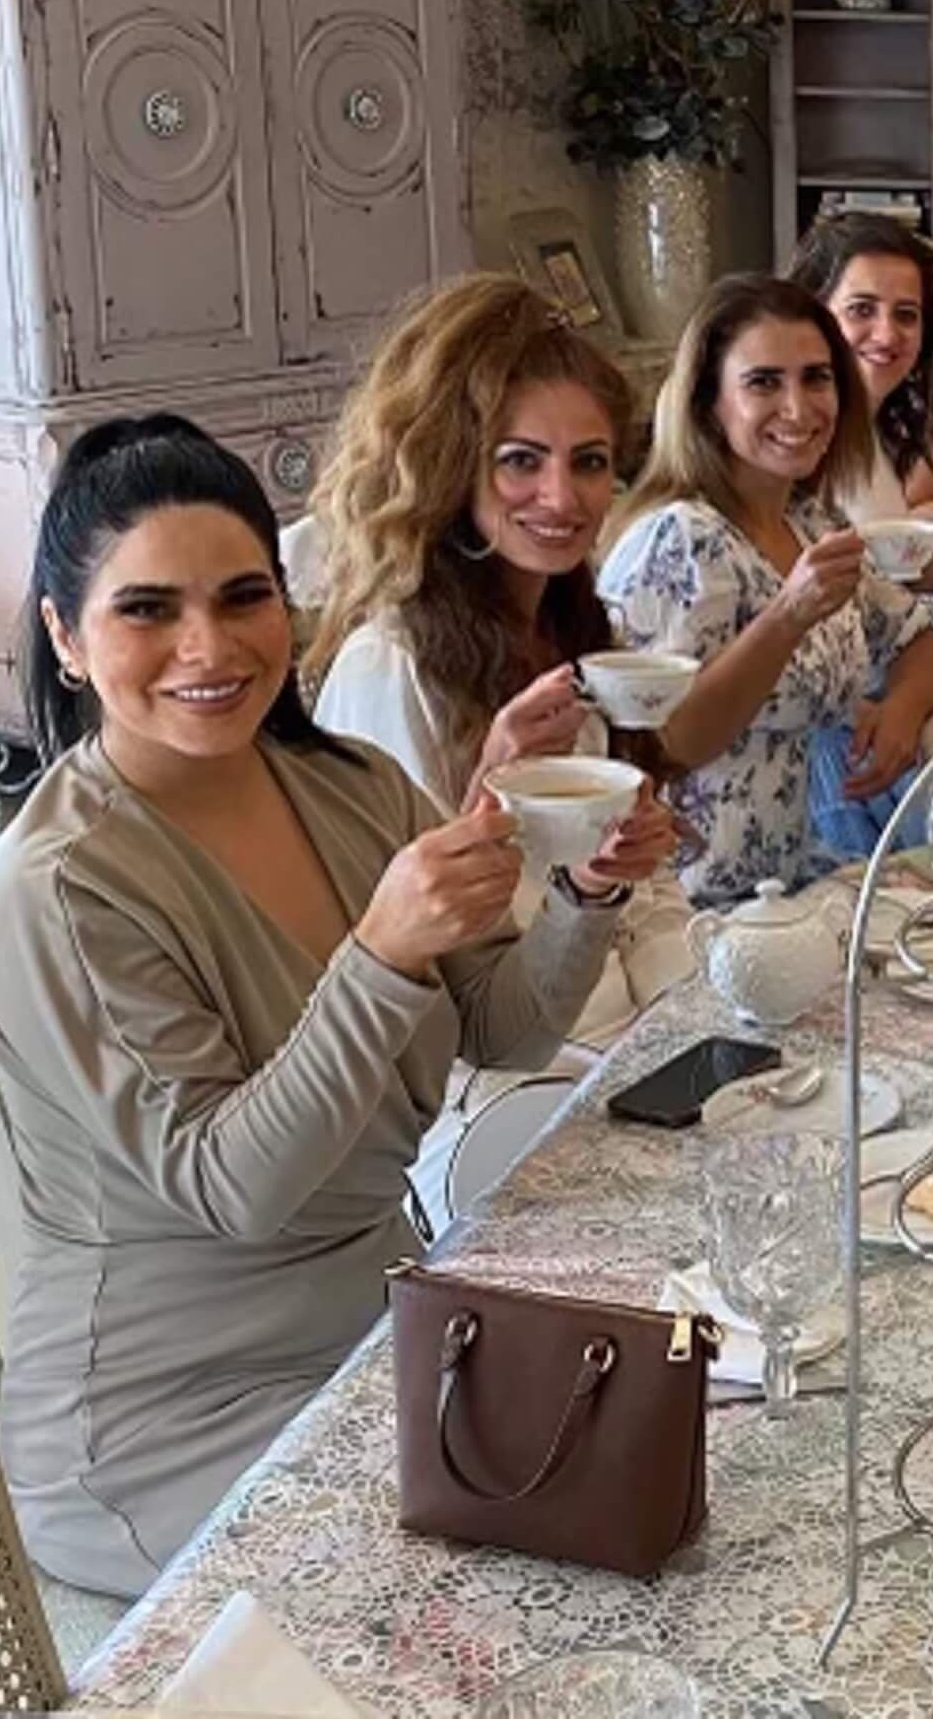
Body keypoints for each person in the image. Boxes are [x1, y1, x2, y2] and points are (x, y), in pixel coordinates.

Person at [0, 414, 672, 1596]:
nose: (208, 643)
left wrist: (588, 894)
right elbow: (232, 1187)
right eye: (146, 608)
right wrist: (382, 950)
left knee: (663, 1458)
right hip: (165, 1417)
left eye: (244, 596)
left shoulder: (344, 782)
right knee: (502, 1597)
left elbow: (504, 1029)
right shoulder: (64, 882)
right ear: (64, 636)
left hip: (376, 1333)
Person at [304, 275, 693, 1216]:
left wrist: (687, 1015)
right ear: (453, 468)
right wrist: (487, 782)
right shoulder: (388, 667)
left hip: (620, 1054)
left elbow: (637, 904)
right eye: (521, 461)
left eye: (590, 462)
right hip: (491, 1100)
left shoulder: (576, 639)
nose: (561, 497)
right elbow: (402, 966)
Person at [598, 275, 933, 904]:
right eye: (764, 382)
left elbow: (923, 639)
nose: (798, 408)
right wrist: (785, 617)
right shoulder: (679, 541)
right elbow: (665, 746)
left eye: (816, 379)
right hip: (698, 902)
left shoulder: (808, 521)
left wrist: (901, 708)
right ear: (709, 402)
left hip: (799, 878)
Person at [785, 212, 933, 592]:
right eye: (861, 310)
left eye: (906, 315)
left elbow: (893, 595)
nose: (886, 335)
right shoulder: (794, 446)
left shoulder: (879, 434)